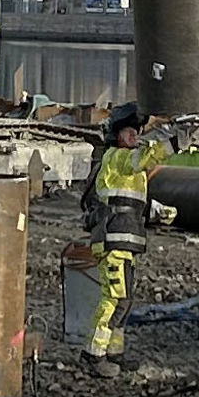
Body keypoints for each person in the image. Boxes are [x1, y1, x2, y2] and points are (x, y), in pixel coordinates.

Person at [82, 101, 180, 379]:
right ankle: (93, 353)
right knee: (113, 298)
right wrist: (177, 140)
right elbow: (145, 158)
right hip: (112, 241)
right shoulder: (116, 158)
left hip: (125, 242)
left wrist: (160, 211)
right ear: (116, 135)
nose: (134, 137)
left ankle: (114, 353)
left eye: (136, 132)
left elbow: (133, 203)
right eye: (129, 133)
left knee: (124, 301)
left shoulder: (130, 172)